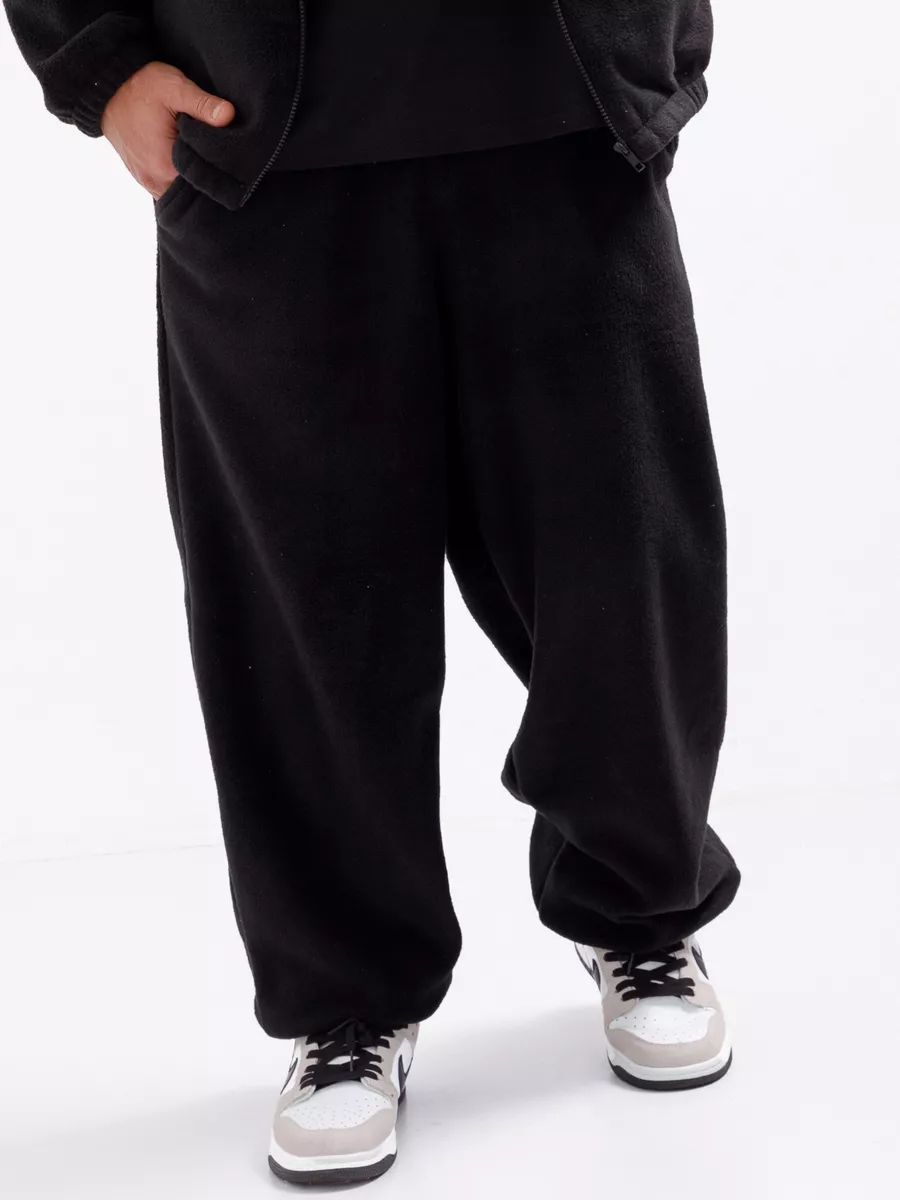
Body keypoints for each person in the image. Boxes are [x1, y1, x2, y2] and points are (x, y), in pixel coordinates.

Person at [4, 0, 741, 1186]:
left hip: (564, 103)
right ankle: (345, 1000)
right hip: (256, 136)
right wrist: (99, 63)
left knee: (622, 557)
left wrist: (650, 48)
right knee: (301, 610)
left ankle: (642, 912)